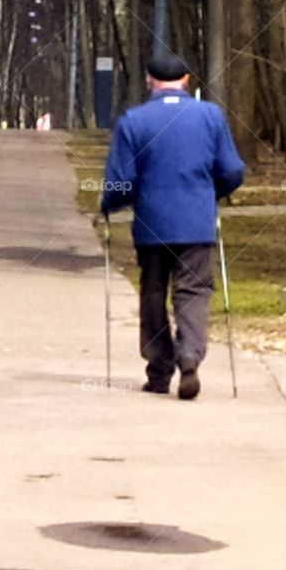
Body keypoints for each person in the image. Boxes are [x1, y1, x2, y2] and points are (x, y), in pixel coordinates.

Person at [101, 53, 245, 400]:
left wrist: (108, 205)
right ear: (186, 80)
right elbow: (232, 169)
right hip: (197, 222)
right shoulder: (210, 116)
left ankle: (159, 369)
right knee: (193, 291)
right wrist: (213, 193)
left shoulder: (134, 120)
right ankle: (190, 356)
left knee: (153, 293)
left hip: (152, 223)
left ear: (150, 81)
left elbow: (122, 181)